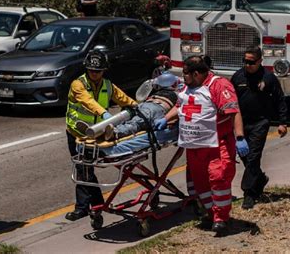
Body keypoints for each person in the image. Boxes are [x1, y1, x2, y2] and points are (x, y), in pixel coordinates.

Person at [154, 56, 248, 236]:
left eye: (186, 74)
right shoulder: (186, 87)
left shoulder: (219, 86)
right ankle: (211, 214)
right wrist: (165, 119)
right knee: (200, 182)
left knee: (218, 178)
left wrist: (240, 137)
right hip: (195, 146)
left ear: (196, 73)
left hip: (216, 144)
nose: (184, 78)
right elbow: (180, 105)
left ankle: (222, 219)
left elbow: (233, 111)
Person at [65, 49, 137, 221]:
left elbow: (124, 99)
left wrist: (137, 107)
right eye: (91, 70)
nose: (94, 74)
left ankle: (92, 206)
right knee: (84, 169)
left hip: (96, 135)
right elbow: (88, 102)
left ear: (104, 70)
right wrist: (105, 114)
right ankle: (87, 207)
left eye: (97, 71)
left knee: (86, 170)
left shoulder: (107, 85)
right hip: (77, 133)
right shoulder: (78, 84)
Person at [230, 45, 288, 210]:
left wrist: (283, 122)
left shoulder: (268, 77)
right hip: (241, 123)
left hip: (260, 122)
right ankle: (260, 179)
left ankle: (249, 194)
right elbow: (230, 101)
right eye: (245, 61)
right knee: (246, 157)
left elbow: (280, 100)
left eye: (251, 62)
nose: (247, 65)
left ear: (260, 61)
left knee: (254, 156)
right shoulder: (238, 77)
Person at [104, 72, 179, 140]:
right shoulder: (178, 94)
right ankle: (111, 130)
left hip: (148, 106)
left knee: (132, 119)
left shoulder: (160, 92)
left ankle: (112, 131)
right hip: (153, 107)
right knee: (134, 120)